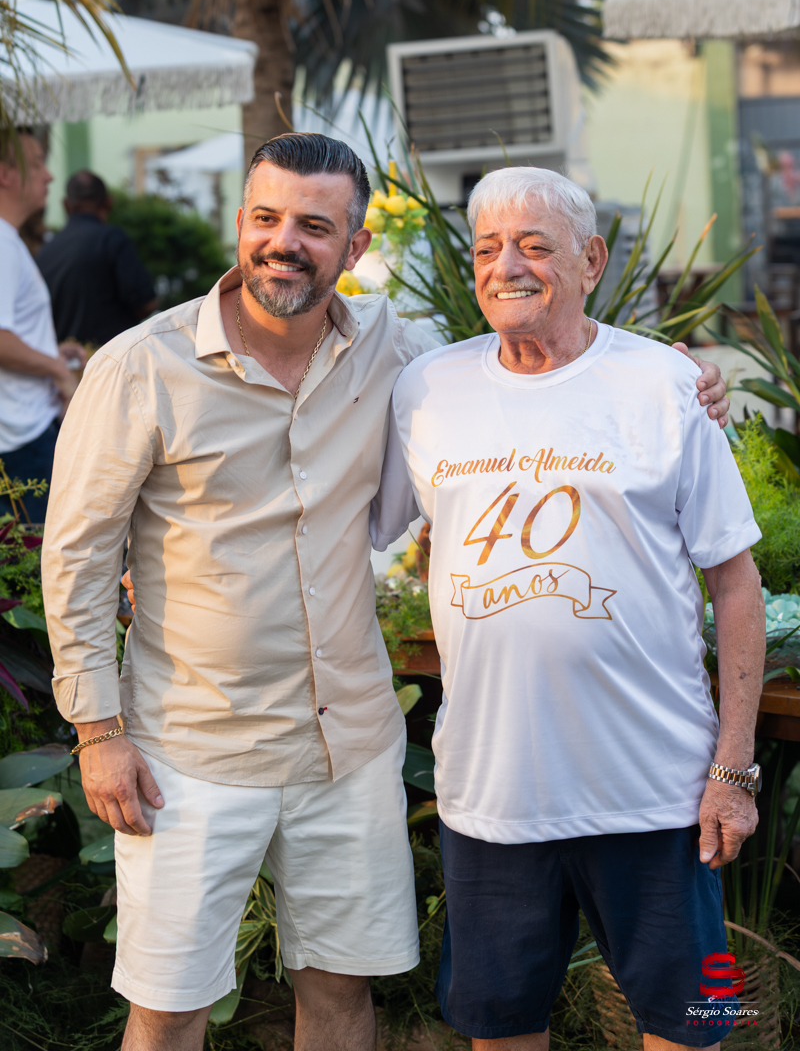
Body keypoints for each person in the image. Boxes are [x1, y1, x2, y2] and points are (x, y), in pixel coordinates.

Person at [42, 134, 730, 1051]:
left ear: (355, 246)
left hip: (350, 744)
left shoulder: (401, 356)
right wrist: (98, 732)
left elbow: (532, 373)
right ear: (240, 224)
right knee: (169, 1010)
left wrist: (681, 379)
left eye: (314, 226)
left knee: (341, 993)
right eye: (266, 218)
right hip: (191, 748)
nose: (285, 242)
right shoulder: (141, 366)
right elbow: (78, 557)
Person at [371, 166, 766, 1051]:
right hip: (492, 796)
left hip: (656, 792)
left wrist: (734, 770)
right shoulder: (427, 389)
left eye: (533, 245)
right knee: (500, 1028)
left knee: (693, 1028)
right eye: (487, 248)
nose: (506, 265)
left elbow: (736, 583)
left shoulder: (664, 383)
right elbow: (357, 517)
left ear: (590, 260)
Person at [0, 130, 83, 522]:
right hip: (22, 439)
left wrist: (51, 352)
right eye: (36, 164)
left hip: (22, 433)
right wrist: (58, 372)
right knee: (42, 554)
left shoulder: (8, 240)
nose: (49, 176)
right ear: (5, 174)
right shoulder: (2, 242)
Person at [37, 170, 157, 347]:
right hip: (112, 356)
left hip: (63, 359)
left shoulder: (45, 252)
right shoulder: (113, 240)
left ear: (66, 205)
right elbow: (147, 304)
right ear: (108, 202)